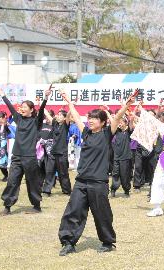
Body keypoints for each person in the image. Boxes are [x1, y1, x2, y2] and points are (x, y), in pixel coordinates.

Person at [58, 90, 135, 256]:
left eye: (94, 118)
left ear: (102, 122)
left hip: (98, 183)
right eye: (90, 117)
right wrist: (69, 102)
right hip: (81, 181)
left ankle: (107, 242)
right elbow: (77, 117)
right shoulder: (86, 133)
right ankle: (68, 242)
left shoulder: (107, 134)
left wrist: (126, 106)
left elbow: (116, 118)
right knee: (74, 211)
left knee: (102, 214)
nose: (90, 120)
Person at [0, 86, 50, 215]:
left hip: (30, 157)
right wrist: (3, 95)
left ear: (31, 110)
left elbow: (41, 110)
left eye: (25, 107)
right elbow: (10, 107)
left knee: (32, 182)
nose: (22, 108)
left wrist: (45, 98)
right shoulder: (18, 118)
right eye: (22, 106)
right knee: (12, 181)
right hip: (17, 156)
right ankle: (7, 206)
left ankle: (36, 206)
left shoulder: (36, 122)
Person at [43, 109, 72, 195]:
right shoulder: (55, 124)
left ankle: (66, 190)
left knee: (63, 173)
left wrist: (71, 106)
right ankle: (46, 190)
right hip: (53, 152)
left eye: (60, 115)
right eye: (58, 114)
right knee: (49, 171)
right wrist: (41, 103)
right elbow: (47, 114)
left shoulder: (65, 125)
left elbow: (68, 115)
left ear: (64, 118)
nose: (58, 116)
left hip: (62, 153)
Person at [110, 115, 132, 198]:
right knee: (115, 174)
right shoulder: (117, 131)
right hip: (116, 157)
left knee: (124, 175)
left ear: (125, 123)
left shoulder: (128, 131)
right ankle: (113, 190)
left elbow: (131, 123)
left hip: (126, 157)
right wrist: (107, 112)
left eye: (121, 122)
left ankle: (126, 191)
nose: (119, 124)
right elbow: (113, 122)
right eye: (119, 123)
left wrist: (132, 117)